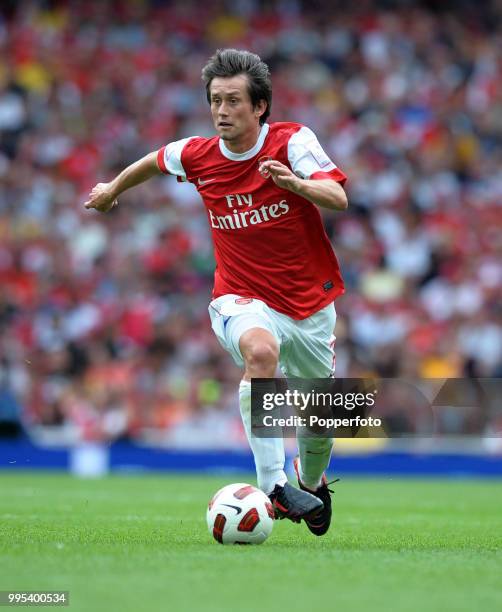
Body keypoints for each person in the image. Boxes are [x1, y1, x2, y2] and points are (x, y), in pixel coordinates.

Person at [85, 48, 348, 536]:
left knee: (321, 420)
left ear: (260, 106)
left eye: (232, 101)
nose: (222, 111)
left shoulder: (292, 142)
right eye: (215, 101)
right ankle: (271, 487)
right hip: (240, 295)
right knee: (260, 351)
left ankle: (309, 483)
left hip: (310, 306)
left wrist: (296, 184)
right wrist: (111, 189)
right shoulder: (198, 155)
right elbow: (155, 160)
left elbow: (338, 195)